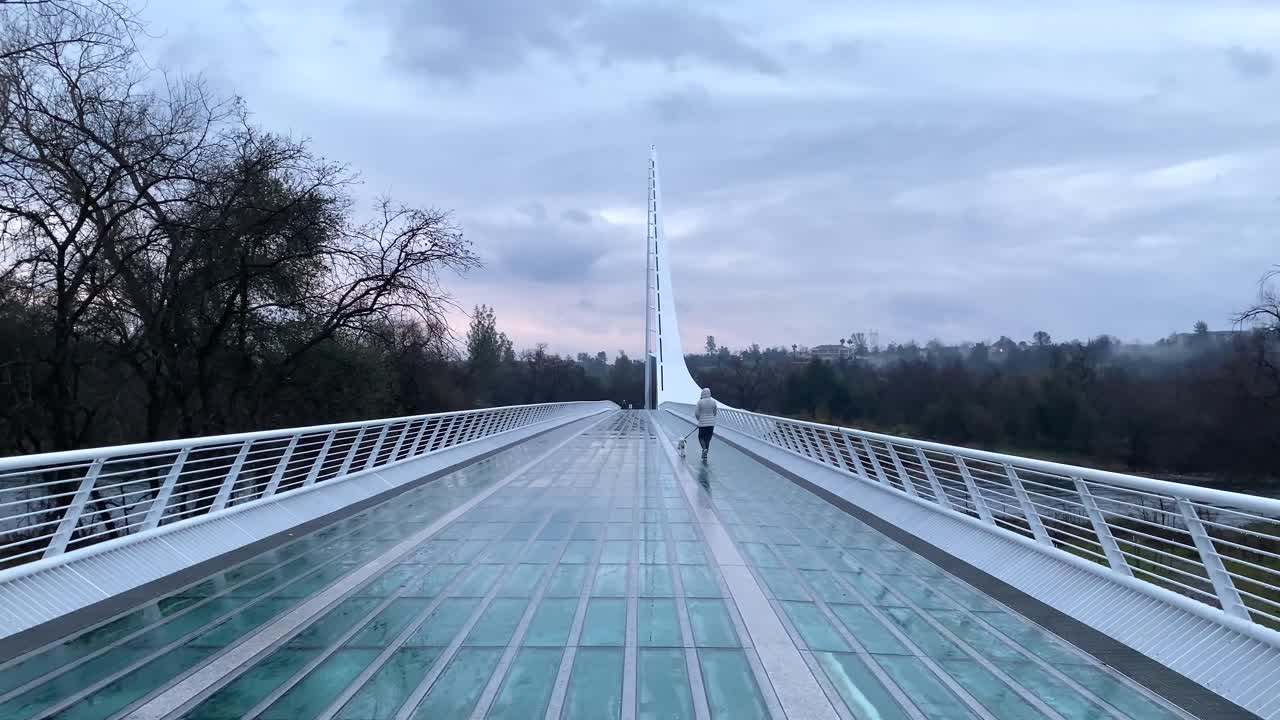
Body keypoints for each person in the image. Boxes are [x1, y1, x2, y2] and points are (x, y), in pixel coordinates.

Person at [694, 388, 717, 460]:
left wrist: (699, 419)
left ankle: (704, 449)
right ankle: (705, 455)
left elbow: (697, 413)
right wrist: (711, 417)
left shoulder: (700, 402)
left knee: (701, 437)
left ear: (702, 394)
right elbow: (715, 412)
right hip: (711, 424)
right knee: (708, 439)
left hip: (702, 424)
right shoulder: (713, 402)